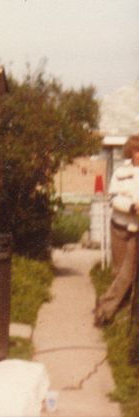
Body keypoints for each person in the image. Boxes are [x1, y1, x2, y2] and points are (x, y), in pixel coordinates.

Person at [94, 135, 139, 326]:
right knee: (118, 272)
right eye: (136, 150)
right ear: (130, 152)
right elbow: (112, 198)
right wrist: (131, 207)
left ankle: (104, 310)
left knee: (127, 274)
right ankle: (120, 315)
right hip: (118, 226)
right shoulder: (120, 172)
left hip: (136, 230)